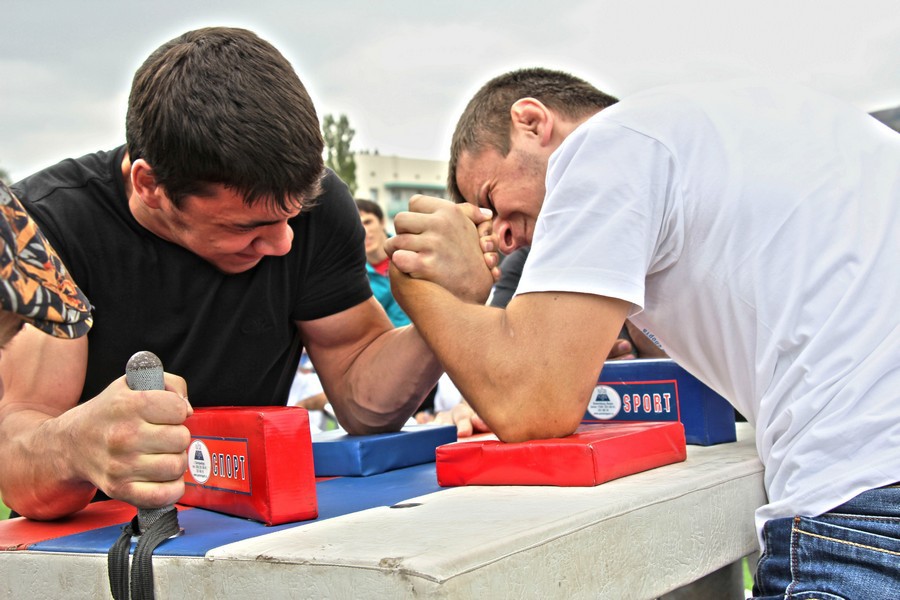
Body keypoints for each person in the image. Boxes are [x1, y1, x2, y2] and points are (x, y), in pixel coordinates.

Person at [385, 68, 900, 598]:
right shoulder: (750, 123)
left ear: (532, 122)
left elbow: (533, 404)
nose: (503, 236)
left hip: (865, 502)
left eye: (490, 200)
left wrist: (413, 277)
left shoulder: (606, 143)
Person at [0, 27, 495, 521]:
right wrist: (78, 446)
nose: (283, 243)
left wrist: (445, 305)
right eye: (248, 227)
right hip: (101, 535)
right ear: (150, 185)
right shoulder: (44, 233)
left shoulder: (317, 207)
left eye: (292, 215)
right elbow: (19, 464)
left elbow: (362, 399)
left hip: (254, 518)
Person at [356, 198, 410, 327]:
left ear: (382, 222)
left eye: (367, 222)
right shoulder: (352, 276)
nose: (363, 231)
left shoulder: (412, 250)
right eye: (356, 225)